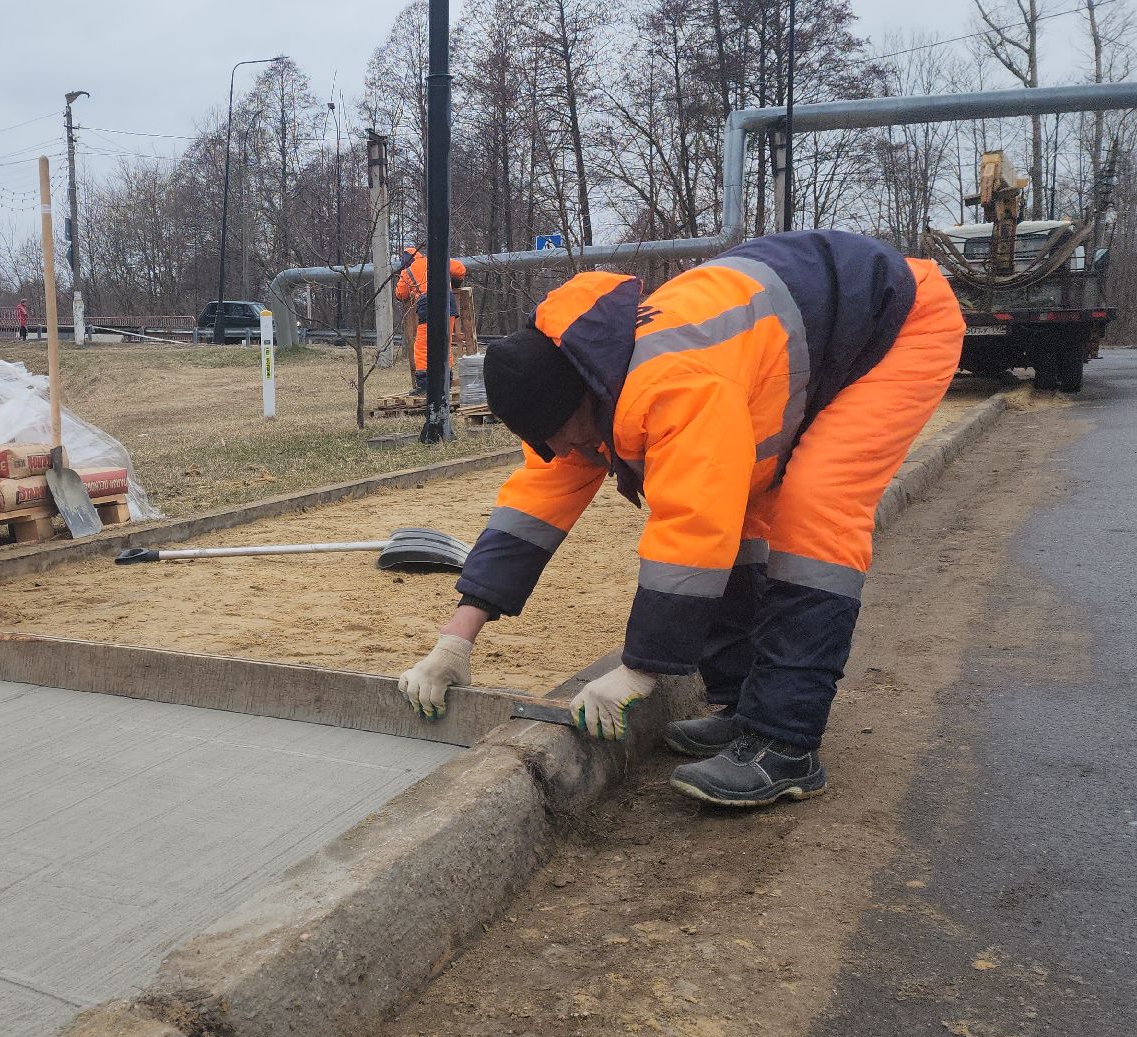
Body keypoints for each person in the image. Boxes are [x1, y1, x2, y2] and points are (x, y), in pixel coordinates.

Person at [397, 230, 964, 808]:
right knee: (744, 506)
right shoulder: (578, 375)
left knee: (813, 510)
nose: (558, 450)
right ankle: (745, 708)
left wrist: (637, 672)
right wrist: (455, 640)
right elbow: (530, 512)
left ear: (582, 402)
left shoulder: (672, 383)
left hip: (896, 322)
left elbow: (693, 527)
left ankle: (785, 743)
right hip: (815, 329)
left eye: (559, 436)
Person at [394, 245, 468, 394]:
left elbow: (400, 294)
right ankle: (445, 382)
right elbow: (460, 269)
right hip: (448, 301)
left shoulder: (407, 271)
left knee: (422, 346)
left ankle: (424, 385)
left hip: (428, 304)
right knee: (444, 343)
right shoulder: (435, 260)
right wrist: (454, 283)